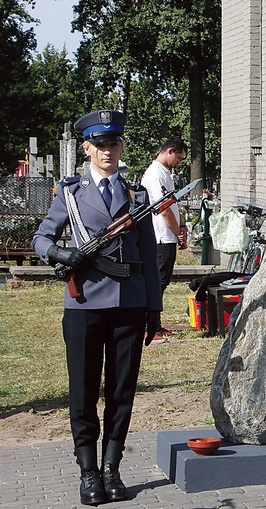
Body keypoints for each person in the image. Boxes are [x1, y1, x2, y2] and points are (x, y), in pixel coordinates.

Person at [31, 110, 162, 505]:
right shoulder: (70, 193)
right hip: (84, 302)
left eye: (114, 143)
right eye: (100, 144)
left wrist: (153, 310)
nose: (108, 151)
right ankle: (88, 471)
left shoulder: (137, 196)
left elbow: (150, 257)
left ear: (121, 146)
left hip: (129, 303)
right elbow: (41, 237)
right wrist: (59, 253)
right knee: (84, 390)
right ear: (87, 148)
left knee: (121, 391)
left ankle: (112, 467)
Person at [140, 137, 188, 342]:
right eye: (178, 157)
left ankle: (155, 323)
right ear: (169, 151)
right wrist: (177, 231)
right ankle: (145, 326)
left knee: (163, 281)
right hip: (160, 236)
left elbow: (173, 204)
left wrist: (182, 225)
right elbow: (164, 209)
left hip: (167, 235)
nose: (179, 161)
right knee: (156, 283)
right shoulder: (155, 174)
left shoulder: (165, 174)